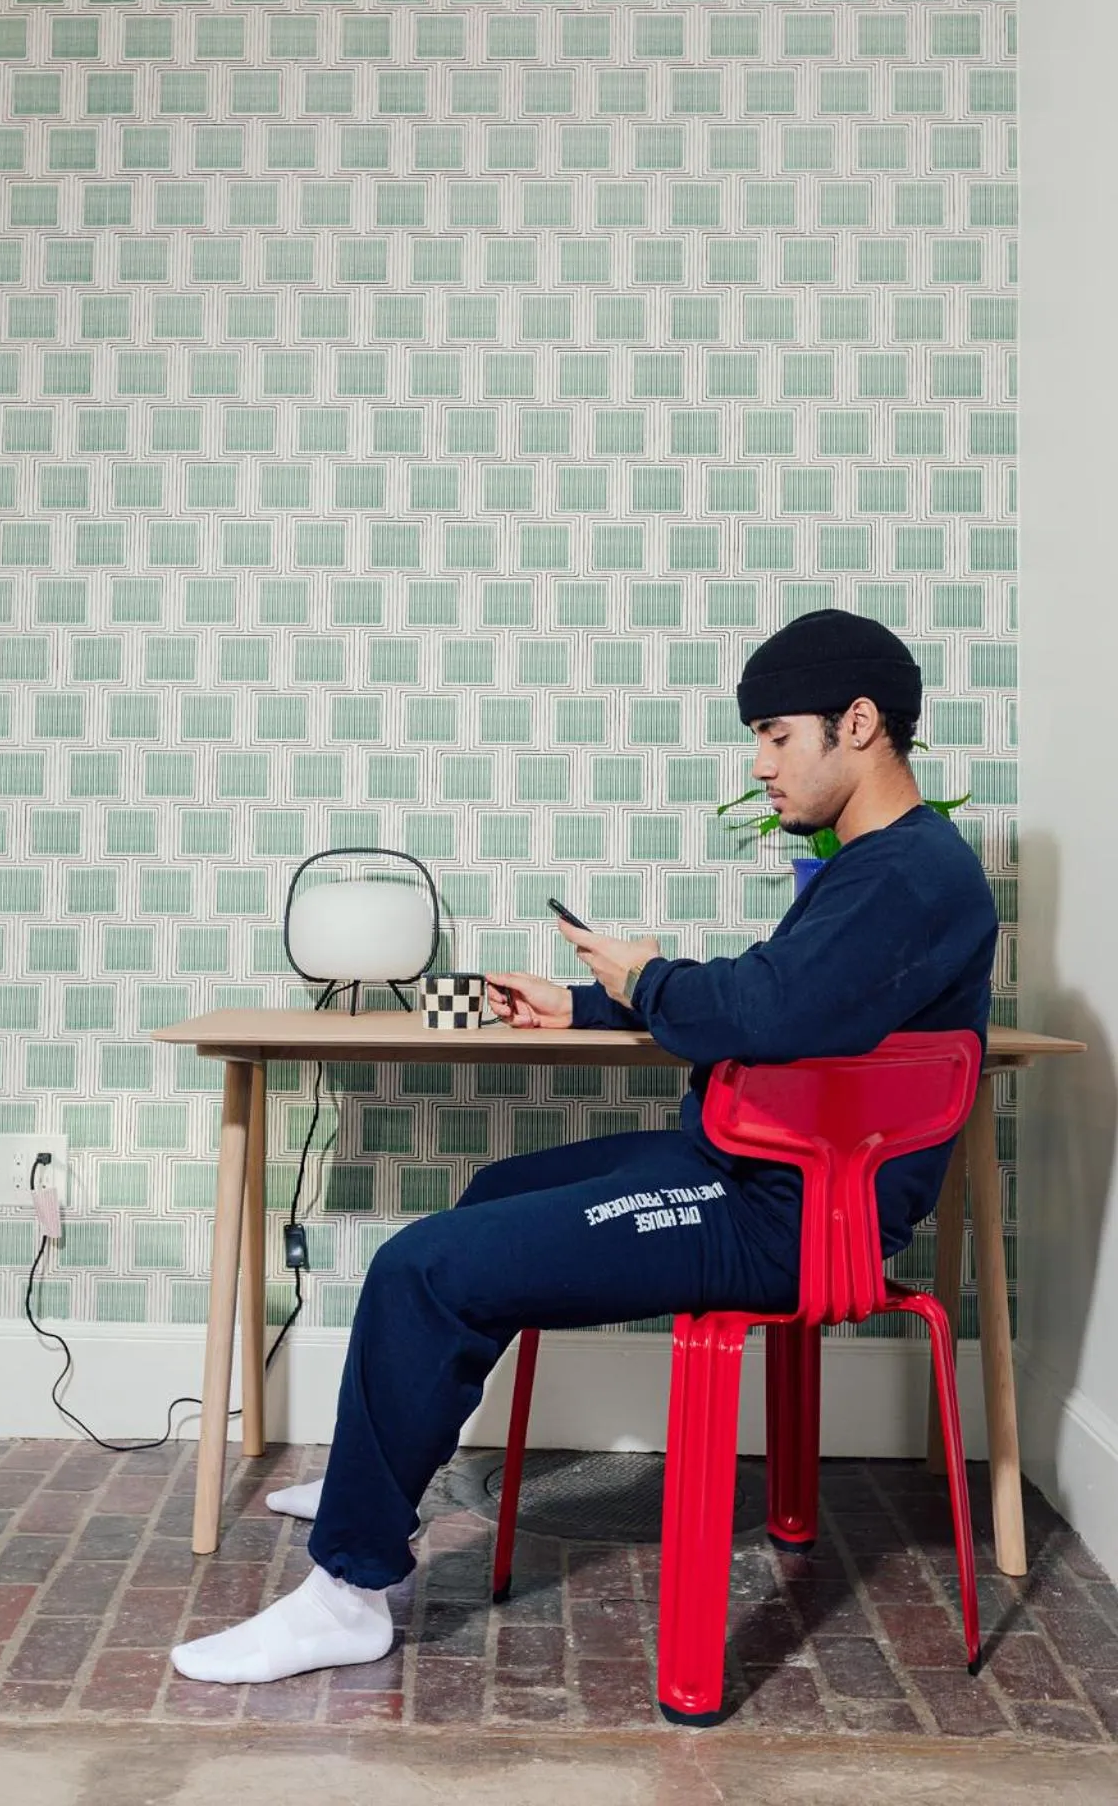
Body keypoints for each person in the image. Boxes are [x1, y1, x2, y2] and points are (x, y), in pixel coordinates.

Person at [170, 608, 998, 1687]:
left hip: (788, 1215)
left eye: (774, 736)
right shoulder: (883, 868)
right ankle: (373, 1481)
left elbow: (767, 1012)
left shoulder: (908, 877)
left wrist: (642, 977)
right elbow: (779, 998)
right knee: (491, 1194)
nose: (757, 767)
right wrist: (585, 1002)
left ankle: (348, 1591)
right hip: (752, 1180)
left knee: (420, 1266)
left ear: (856, 723)